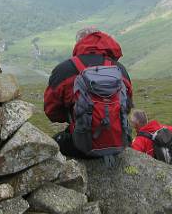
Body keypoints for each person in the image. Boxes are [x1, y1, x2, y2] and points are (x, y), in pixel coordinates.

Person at [44, 27, 133, 158]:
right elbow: (128, 105)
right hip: (119, 143)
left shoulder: (64, 69)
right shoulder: (120, 70)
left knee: (50, 148)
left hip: (79, 146)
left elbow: (51, 111)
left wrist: (79, 115)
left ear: (79, 43)